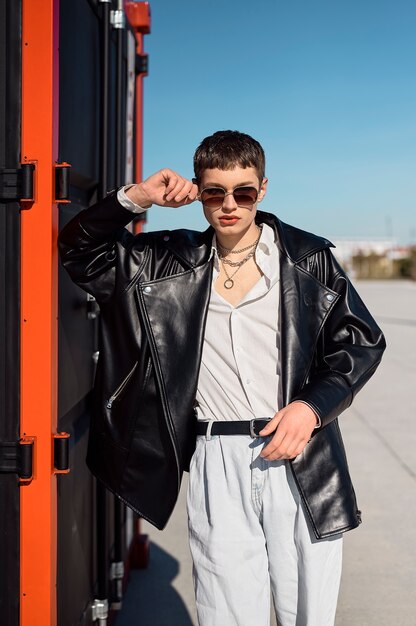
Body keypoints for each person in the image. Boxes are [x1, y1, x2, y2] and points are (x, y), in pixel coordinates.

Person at [58, 130, 385, 626]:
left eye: (244, 192)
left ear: (263, 189)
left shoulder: (308, 259)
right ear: (198, 191)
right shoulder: (164, 260)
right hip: (216, 460)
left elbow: (360, 343)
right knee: (226, 613)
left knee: (308, 613)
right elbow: (79, 252)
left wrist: (312, 407)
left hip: (300, 452)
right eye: (215, 192)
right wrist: (137, 197)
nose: (230, 205)